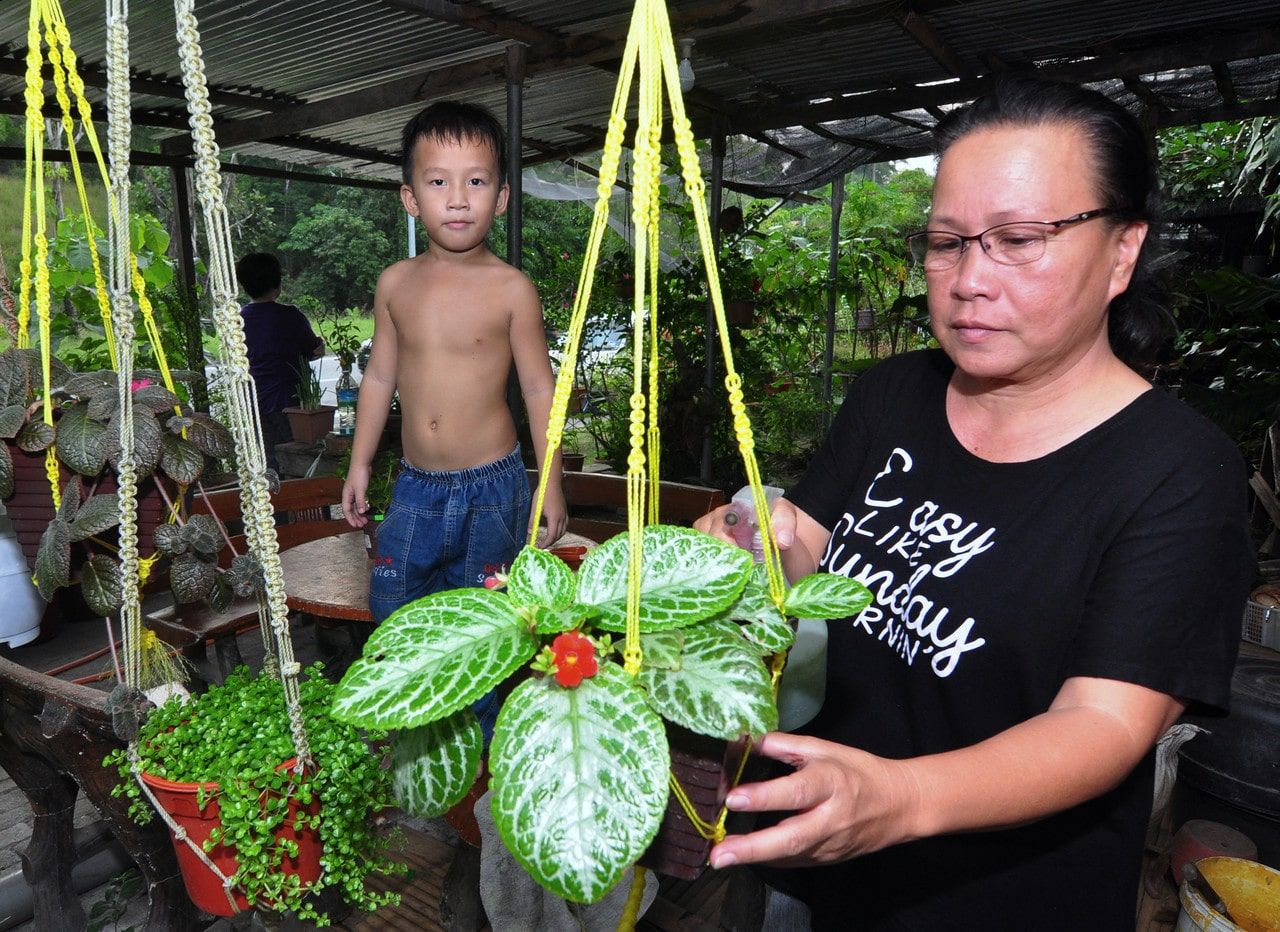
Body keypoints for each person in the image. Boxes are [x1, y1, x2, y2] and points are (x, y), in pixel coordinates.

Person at [695, 75, 1254, 930]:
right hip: (815, 860)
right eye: (948, 242)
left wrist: (898, 797)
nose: (968, 280)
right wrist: (729, 548)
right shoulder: (895, 394)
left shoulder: (1179, 474)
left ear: (1121, 250)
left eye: (1019, 239)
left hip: (996, 899)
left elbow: (1101, 724)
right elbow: (803, 542)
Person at [341, 100, 567, 632]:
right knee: (395, 612)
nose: (459, 199)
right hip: (415, 485)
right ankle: (410, 716)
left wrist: (551, 481)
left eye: (477, 182)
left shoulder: (513, 289)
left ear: (503, 198)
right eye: (439, 182)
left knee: (488, 629)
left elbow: (539, 390)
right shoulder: (395, 283)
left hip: (494, 488)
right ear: (410, 198)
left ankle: (485, 719)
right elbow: (379, 377)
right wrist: (359, 462)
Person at [236, 252, 325, 473]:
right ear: (278, 282)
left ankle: (275, 507)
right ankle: (302, 506)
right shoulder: (290, 316)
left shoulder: (238, 321)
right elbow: (313, 349)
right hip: (291, 404)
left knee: (268, 466)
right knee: (299, 463)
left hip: (255, 403)